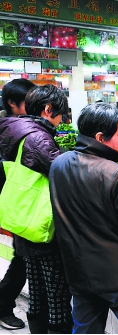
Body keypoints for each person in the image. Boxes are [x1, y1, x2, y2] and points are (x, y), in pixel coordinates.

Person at [48, 103, 118, 334]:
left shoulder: (58, 163)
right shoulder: (115, 173)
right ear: (100, 137)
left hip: (80, 271)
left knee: (86, 329)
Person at [0, 85, 73, 334]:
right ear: (48, 109)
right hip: (42, 229)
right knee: (57, 297)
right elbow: (63, 175)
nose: (61, 120)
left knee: (38, 292)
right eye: (60, 114)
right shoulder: (37, 137)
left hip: (25, 223)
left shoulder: (16, 130)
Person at [0, 78, 35, 331]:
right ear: (13, 103)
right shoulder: (12, 130)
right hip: (18, 204)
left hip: (23, 203)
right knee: (22, 259)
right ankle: (2, 306)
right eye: (29, 100)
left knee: (22, 258)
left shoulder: (22, 126)